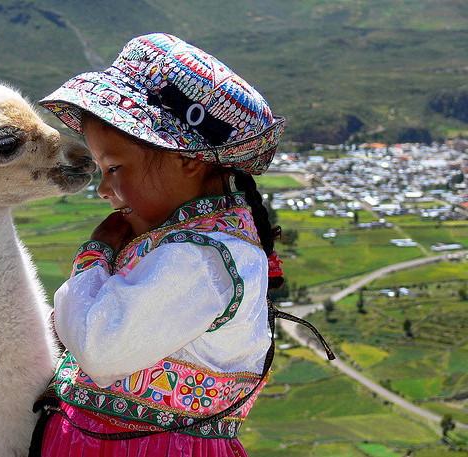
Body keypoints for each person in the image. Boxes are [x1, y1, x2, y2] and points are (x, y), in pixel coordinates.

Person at [35, 32, 289, 457]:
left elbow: (100, 348)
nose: (103, 189)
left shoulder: (200, 259)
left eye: (114, 167)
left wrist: (95, 257)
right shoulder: (190, 244)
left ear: (186, 159)